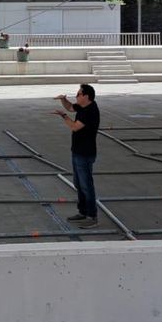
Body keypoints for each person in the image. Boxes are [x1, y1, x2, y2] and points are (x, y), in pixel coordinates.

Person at [54, 83, 100, 229]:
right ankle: (83, 211)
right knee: (78, 184)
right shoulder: (83, 106)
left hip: (85, 153)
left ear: (86, 96)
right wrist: (63, 99)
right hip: (77, 150)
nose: (76, 95)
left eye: (79, 94)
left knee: (86, 185)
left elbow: (74, 126)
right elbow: (70, 107)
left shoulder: (90, 111)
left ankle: (92, 216)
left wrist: (63, 116)